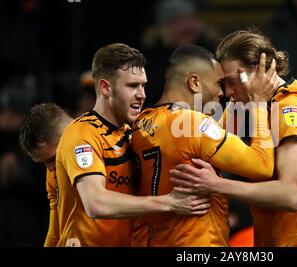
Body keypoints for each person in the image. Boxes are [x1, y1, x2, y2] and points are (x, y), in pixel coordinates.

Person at [170, 30, 297, 246]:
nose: (227, 92)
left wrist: (215, 184)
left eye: (233, 82)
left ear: (259, 71)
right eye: (224, 83)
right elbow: (211, 140)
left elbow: (290, 194)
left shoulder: (291, 109)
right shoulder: (261, 106)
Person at [55, 43, 210, 247]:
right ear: (105, 87)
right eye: (132, 86)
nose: (142, 94)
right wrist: (170, 202)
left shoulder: (134, 133)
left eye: (143, 85)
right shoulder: (82, 133)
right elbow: (95, 203)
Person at [131, 44, 277, 246]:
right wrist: (259, 103)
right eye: (219, 83)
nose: (222, 92)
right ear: (194, 83)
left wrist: (237, 100)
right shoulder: (192, 124)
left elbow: (207, 138)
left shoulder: (141, 123)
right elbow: (262, 165)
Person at [18, 103, 72, 246]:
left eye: (52, 158)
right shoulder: (52, 174)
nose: (50, 168)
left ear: (68, 133)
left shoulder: (105, 144)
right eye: (43, 162)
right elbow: (55, 233)